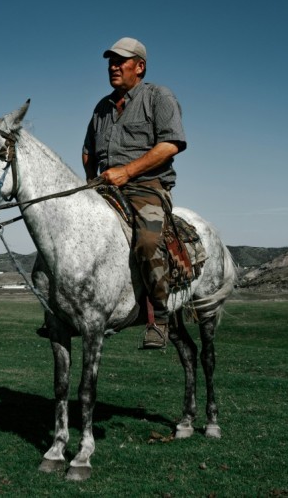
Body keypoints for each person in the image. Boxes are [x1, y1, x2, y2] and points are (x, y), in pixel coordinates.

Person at [82, 37, 187, 349]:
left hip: (147, 187)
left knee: (148, 240)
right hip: (105, 186)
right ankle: (64, 311)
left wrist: (127, 171)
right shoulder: (102, 107)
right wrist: (91, 182)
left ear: (139, 66)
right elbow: (88, 150)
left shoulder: (158, 97)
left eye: (121, 61)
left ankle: (161, 318)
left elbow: (171, 144)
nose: (113, 66)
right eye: (111, 61)